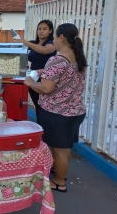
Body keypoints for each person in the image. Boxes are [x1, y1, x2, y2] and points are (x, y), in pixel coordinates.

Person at [24, 23, 87, 193]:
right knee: (64, 146)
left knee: (58, 148)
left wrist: (30, 82)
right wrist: (45, 71)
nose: (53, 41)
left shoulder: (56, 59)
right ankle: (59, 172)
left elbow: (45, 89)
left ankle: (59, 182)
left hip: (57, 113)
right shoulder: (77, 57)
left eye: (54, 37)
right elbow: (66, 75)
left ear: (61, 38)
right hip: (75, 111)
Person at [12, 20, 56, 122]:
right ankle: (40, 128)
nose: (41, 31)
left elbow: (43, 50)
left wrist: (24, 41)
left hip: (46, 78)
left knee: (45, 106)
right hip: (33, 77)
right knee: (37, 104)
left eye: (44, 29)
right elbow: (19, 50)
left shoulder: (51, 43)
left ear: (50, 31)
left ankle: (46, 129)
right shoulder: (33, 43)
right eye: (39, 29)